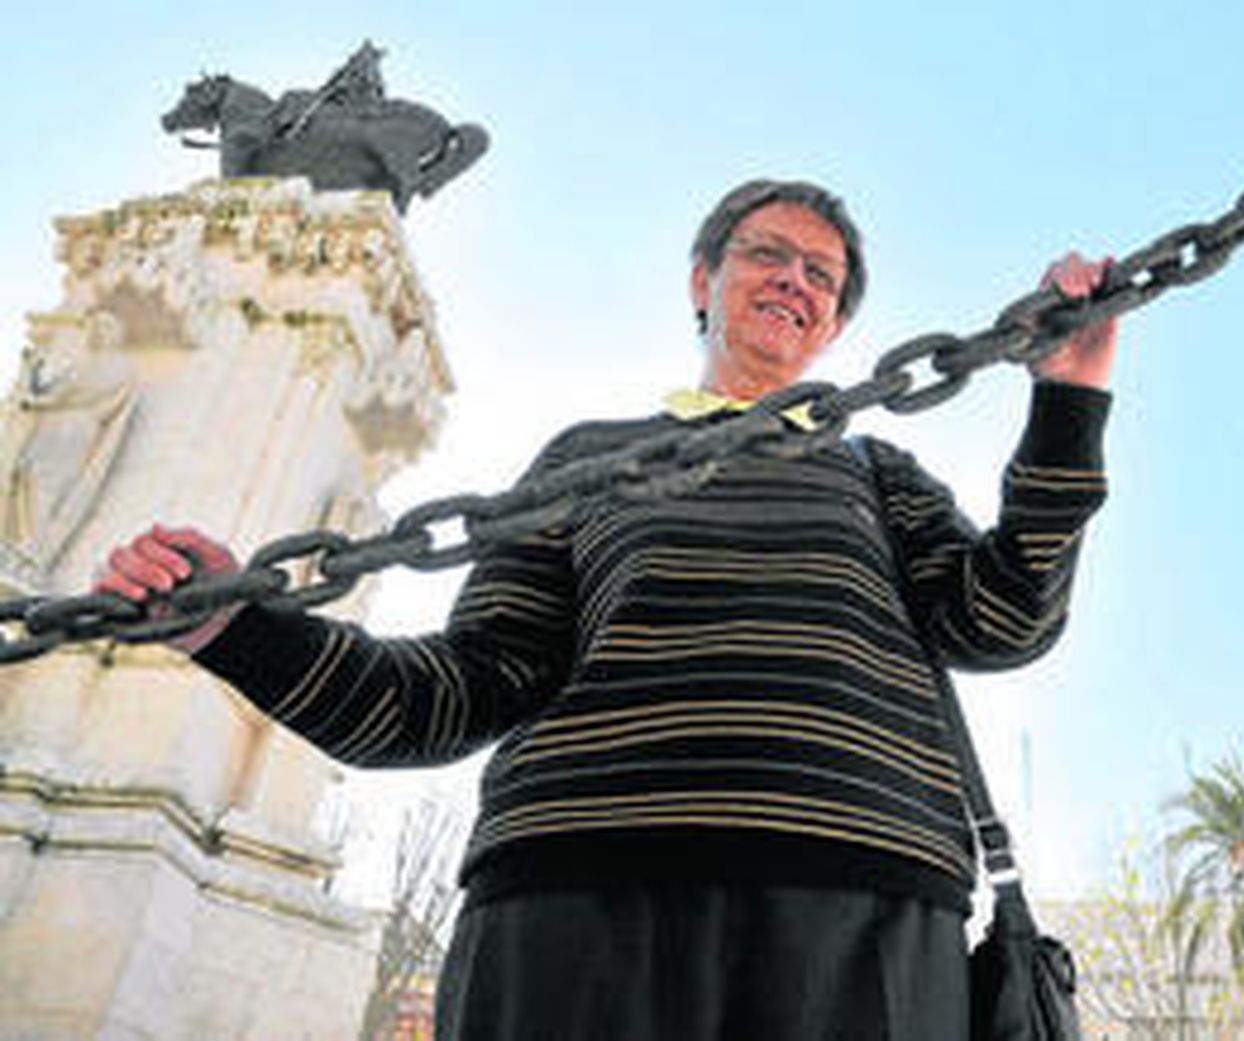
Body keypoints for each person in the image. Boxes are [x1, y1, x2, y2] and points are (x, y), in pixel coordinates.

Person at [94, 178, 1117, 1040]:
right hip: (570, 906)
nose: (794, 281)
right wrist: (234, 627)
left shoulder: (874, 471)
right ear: (702, 282)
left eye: (821, 276)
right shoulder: (589, 459)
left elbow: (1002, 622)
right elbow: (452, 693)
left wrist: (1066, 406)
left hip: (861, 908)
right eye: (767, 254)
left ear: (836, 324)